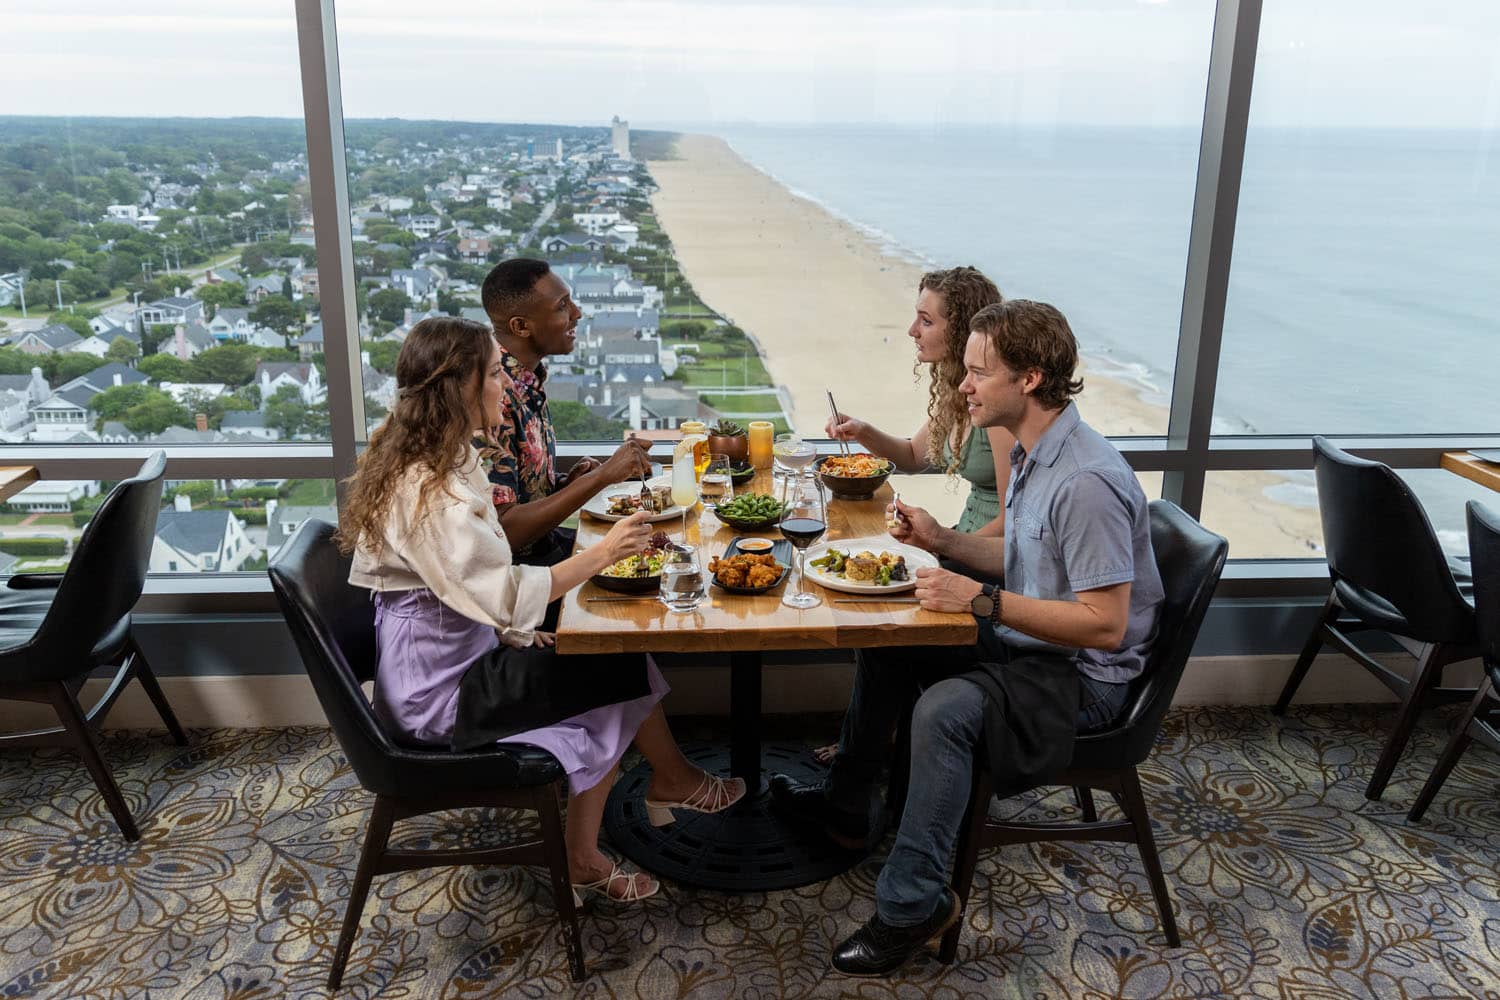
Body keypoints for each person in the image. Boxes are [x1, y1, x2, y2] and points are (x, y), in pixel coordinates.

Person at [771, 299, 1165, 976]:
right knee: (896, 636)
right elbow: (1025, 553)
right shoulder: (1042, 453)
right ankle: (848, 806)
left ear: (1031, 378)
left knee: (945, 710)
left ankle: (912, 905)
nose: (962, 385)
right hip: (1041, 644)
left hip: (1084, 680)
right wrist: (942, 541)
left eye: (979, 372)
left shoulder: (1086, 482)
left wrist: (980, 601)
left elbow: (1106, 626)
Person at [339, 316, 744, 904]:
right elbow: (499, 591)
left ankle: (628, 815)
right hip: (439, 696)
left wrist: (515, 636)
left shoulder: (439, 459)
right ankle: (611, 832)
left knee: (610, 657)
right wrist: (604, 551)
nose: (506, 383)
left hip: (456, 659)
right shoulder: (434, 493)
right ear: (462, 387)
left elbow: (465, 587)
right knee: (611, 664)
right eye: (496, 373)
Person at [811, 265, 1010, 764]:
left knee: (882, 618)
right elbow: (911, 456)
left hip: (986, 565)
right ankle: (874, 739)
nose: (912, 331)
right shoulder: (957, 389)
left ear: (959, 328)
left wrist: (944, 551)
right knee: (874, 601)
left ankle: (869, 747)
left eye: (925, 320)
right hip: (958, 549)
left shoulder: (999, 409)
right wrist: (862, 431)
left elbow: (1015, 521)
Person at [478, 257, 655, 568]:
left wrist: (566, 484)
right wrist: (601, 477)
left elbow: (518, 493)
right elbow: (503, 530)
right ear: (521, 326)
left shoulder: (527, 379)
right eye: (562, 306)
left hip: (546, 552)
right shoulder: (494, 398)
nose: (577, 313)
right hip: (517, 582)